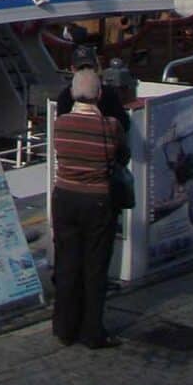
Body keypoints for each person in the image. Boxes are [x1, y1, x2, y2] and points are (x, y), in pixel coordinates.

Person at [49, 68, 127, 349]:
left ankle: (64, 327)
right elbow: (122, 155)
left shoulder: (61, 124)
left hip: (64, 197)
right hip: (97, 199)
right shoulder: (110, 127)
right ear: (100, 94)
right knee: (95, 266)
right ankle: (92, 330)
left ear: (72, 93)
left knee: (67, 263)